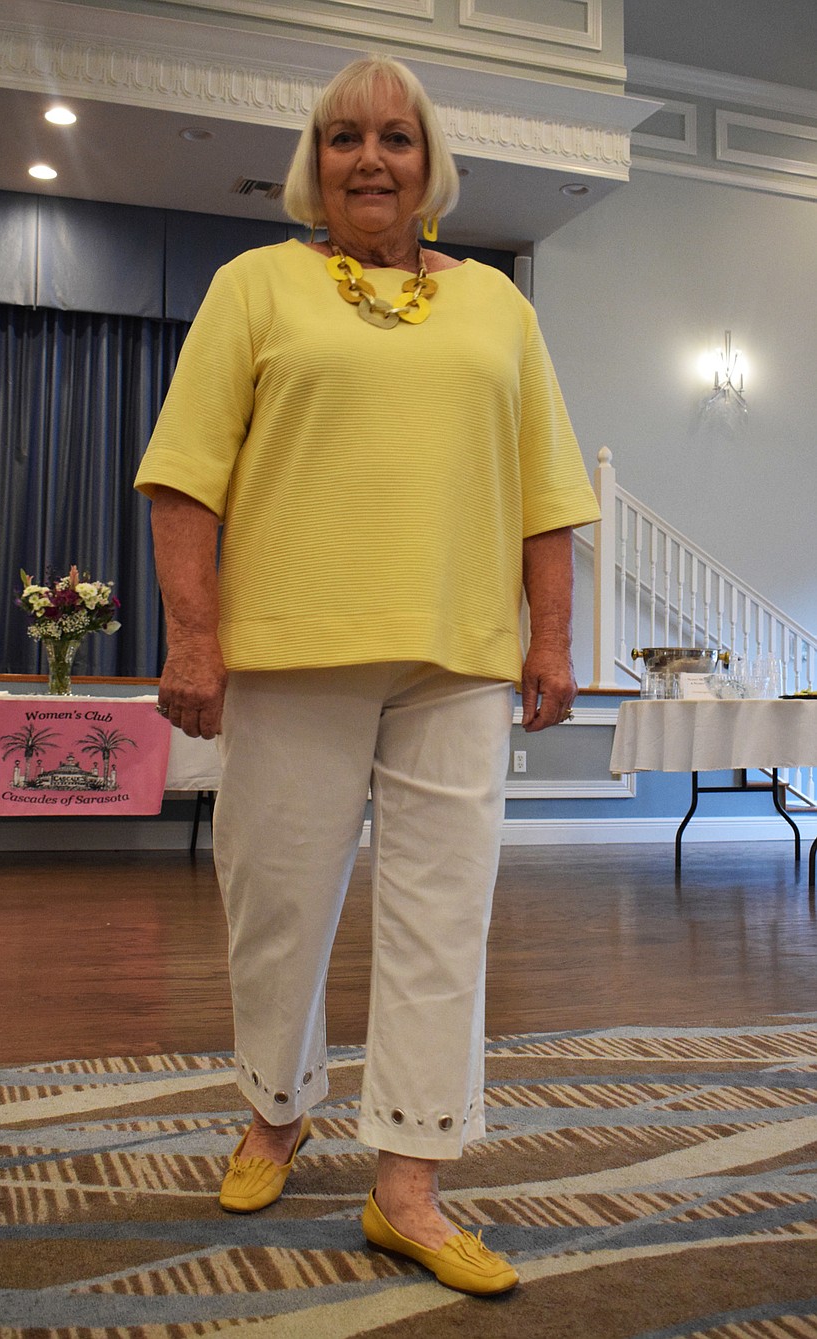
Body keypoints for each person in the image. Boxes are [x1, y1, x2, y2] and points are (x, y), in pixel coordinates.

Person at [135, 54, 600, 1296]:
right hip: (291, 655)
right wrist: (193, 637)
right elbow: (185, 474)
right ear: (315, 164)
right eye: (344, 139)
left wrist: (549, 637)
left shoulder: (500, 308)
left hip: (457, 658)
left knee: (443, 918)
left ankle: (409, 1181)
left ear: (430, 160)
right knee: (278, 908)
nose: (371, 159)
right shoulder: (255, 284)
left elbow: (548, 491)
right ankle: (276, 1110)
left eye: (395, 137)